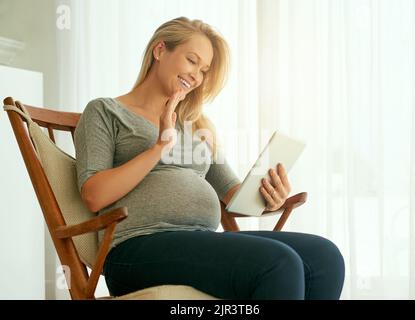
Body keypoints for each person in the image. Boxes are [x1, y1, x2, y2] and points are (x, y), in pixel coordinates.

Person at [74, 16, 345, 300]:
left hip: (199, 241)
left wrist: (268, 196)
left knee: (324, 258)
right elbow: (94, 195)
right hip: (137, 249)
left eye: (203, 70)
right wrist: (159, 147)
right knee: (278, 263)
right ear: (160, 50)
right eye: (192, 61)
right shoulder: (105, 111)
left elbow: (233, 194)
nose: (197, 76)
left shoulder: (194, 123)